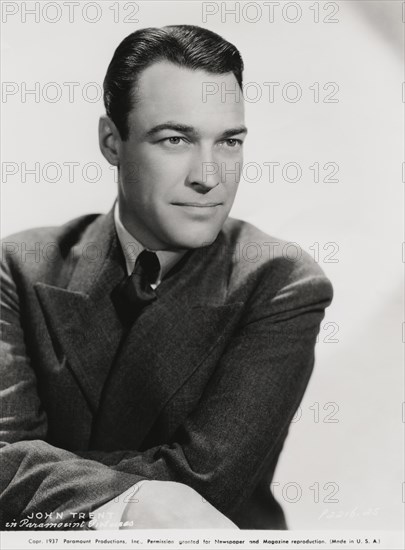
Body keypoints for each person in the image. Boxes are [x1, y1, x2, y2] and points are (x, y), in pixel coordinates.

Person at [0, 25, 333, 530]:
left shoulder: (279, 281)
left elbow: (205, 485)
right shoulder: (18, 266)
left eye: (229, 141)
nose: (209, 176)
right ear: (112, 141)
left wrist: (40, 469)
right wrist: (134, 499)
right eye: (175, 139)